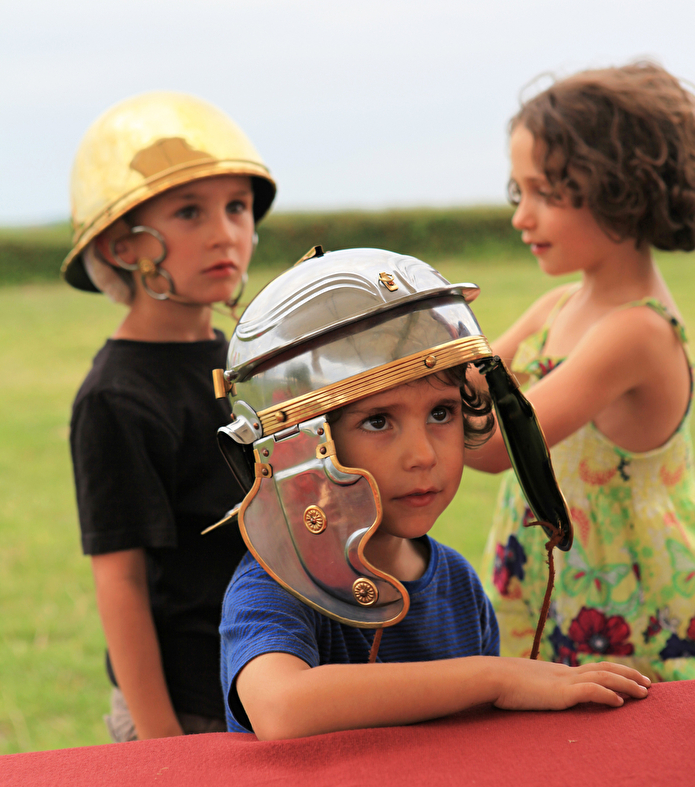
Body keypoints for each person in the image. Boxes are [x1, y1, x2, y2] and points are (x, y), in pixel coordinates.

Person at [215, 247, 650, 741]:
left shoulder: (459, 583)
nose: (423, 455)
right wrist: (495, 677)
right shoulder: (274, 586)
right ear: (299, 446)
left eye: (441, 413)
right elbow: (281, 707)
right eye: (379, 421)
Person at [465, 62, 695, 680]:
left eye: (545, 193)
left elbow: (498, 447)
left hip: (624, 607)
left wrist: (394, 418)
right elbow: (464, 384)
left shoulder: (636, 332)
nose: (522, 217)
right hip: (556, 584)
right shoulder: (556, 307)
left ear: (620, 189)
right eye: (518, 193)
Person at [63, 91, 276, 740]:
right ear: (123, 246)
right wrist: (162, 747)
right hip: (187, 707)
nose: (225, 233)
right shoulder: (115, 398)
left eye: (237, 207)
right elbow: (121, 581)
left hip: (269, 679)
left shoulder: (241, 360)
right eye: (189, 212)